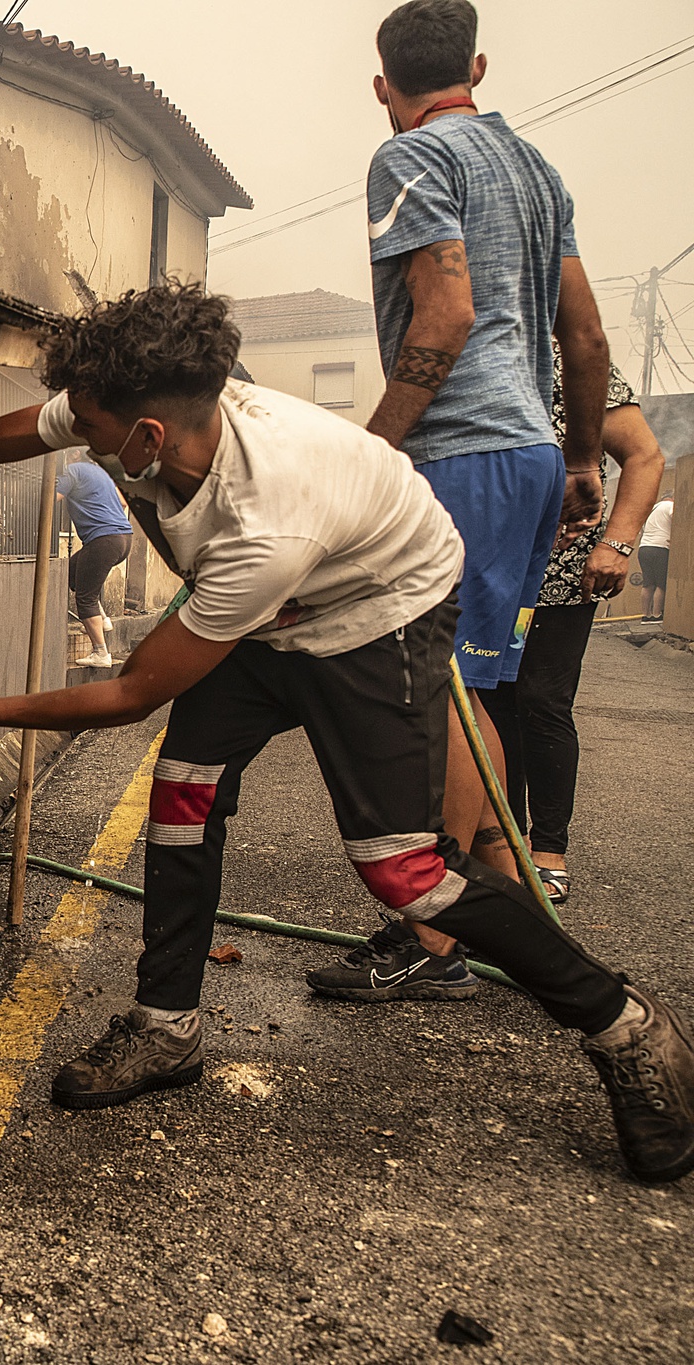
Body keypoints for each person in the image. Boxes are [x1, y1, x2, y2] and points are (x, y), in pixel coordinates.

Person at [0, 281, 694, 1184]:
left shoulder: (263, 519)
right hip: (268, 613)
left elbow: (131, 690)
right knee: (182, 795)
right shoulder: (147, 415)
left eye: (87, 428)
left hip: (377, 614)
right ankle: (167, 1027)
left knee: (403, 870)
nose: (73, 435)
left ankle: (627, 1025)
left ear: (147, 436)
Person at [323, 0, 613, 998]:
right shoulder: (536, 171)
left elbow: (446, 312)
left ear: (380, 87)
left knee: (431, 694)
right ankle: (513, 925)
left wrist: (371, 452)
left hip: (460, 453)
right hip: (528, 451)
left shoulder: (408, 156)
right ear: (475, 67)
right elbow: (584, 340)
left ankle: (432, 941)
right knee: (471, 690)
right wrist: (578, 459)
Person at [482, 359, 663, 905]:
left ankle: (549, 850)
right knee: (492, 703)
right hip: (489, 565)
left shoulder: (571, 358)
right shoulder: (478, 353)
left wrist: (619, 543)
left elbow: (645, 456)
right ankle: (504, 844)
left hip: (562, 570)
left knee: (542, 701)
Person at [56, 456, 134, 668]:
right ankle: (103, 620)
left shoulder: (73, 470)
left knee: (85, 598)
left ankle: (101, 653)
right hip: (124, 538)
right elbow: (123, 501)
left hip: (103, 540)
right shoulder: (101, 472)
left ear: (73, 455)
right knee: (71, 574)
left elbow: (52, 497)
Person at [640, 497, 673, 622]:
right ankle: (656, 615)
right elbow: (677, 520)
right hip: (660, 547)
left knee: (648, 583)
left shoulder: (652, 509)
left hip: (644, 548)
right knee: (661, 584)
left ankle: (645, 615)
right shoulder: (670, 505)